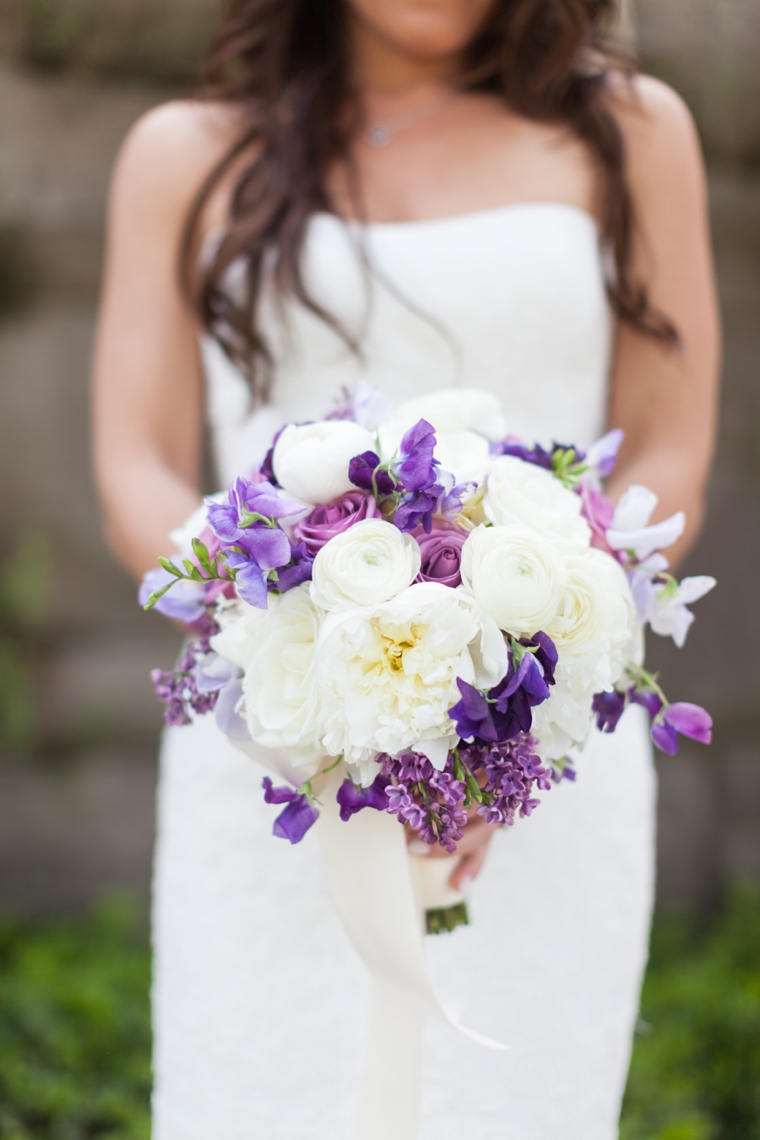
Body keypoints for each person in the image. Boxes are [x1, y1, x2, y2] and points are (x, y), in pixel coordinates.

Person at [92, 1, 719, 1137]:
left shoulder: (631, 130)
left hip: (542, 743)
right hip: (273, 735)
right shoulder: (184, 150)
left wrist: (510, 698)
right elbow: (136, 463)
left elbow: (669, 449)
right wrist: (276, 627)